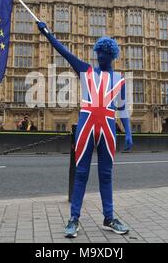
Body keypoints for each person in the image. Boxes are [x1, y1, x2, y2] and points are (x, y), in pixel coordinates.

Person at [38, 21, 133, 238]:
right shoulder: (86, 70)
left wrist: (128, 132)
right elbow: (64, 51)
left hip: (108, 128)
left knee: (106, 175)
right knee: (81, 174)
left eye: (104, 53)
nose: (99, 56)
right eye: (98, 52)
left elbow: (123, 108)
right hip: (86, 126)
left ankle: (109, 217)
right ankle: (74, 218)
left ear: (112, 55)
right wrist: (47, 34)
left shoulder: (119, 79)